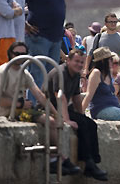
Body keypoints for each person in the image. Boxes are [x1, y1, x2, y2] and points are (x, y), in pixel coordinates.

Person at [0, 41, 80, 175]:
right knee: (49, 122)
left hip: (22, 109)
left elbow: (39, 95)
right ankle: (55, 159)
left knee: (53, 120)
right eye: (17, 54)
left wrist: (57, 114)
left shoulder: (24, 72)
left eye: (23, 54)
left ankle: (59, 158)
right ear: (10, 54)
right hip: (8, 112)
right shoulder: (3, 71)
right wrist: (20, 104)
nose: (20, 57)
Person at [48, 49, 108, 180]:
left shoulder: (75, 75)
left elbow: (76, 97)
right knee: (80, 124)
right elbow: (60, 97)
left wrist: (82, 115)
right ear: (68, 60)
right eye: (76, 61)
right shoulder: (61, 72)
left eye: (82, 62)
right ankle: (87, 161)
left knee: (90, 124)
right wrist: (67, 119)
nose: (79, 65)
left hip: (62, 107)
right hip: (49, 107)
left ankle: (93, 161)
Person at [23, 0, 65, 102]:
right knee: (37, 73)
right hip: (38, 37)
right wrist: (25, 24)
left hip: (55, 38)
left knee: (50, 76)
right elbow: (17, 2)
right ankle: (33, 108)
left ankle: (44, 107)